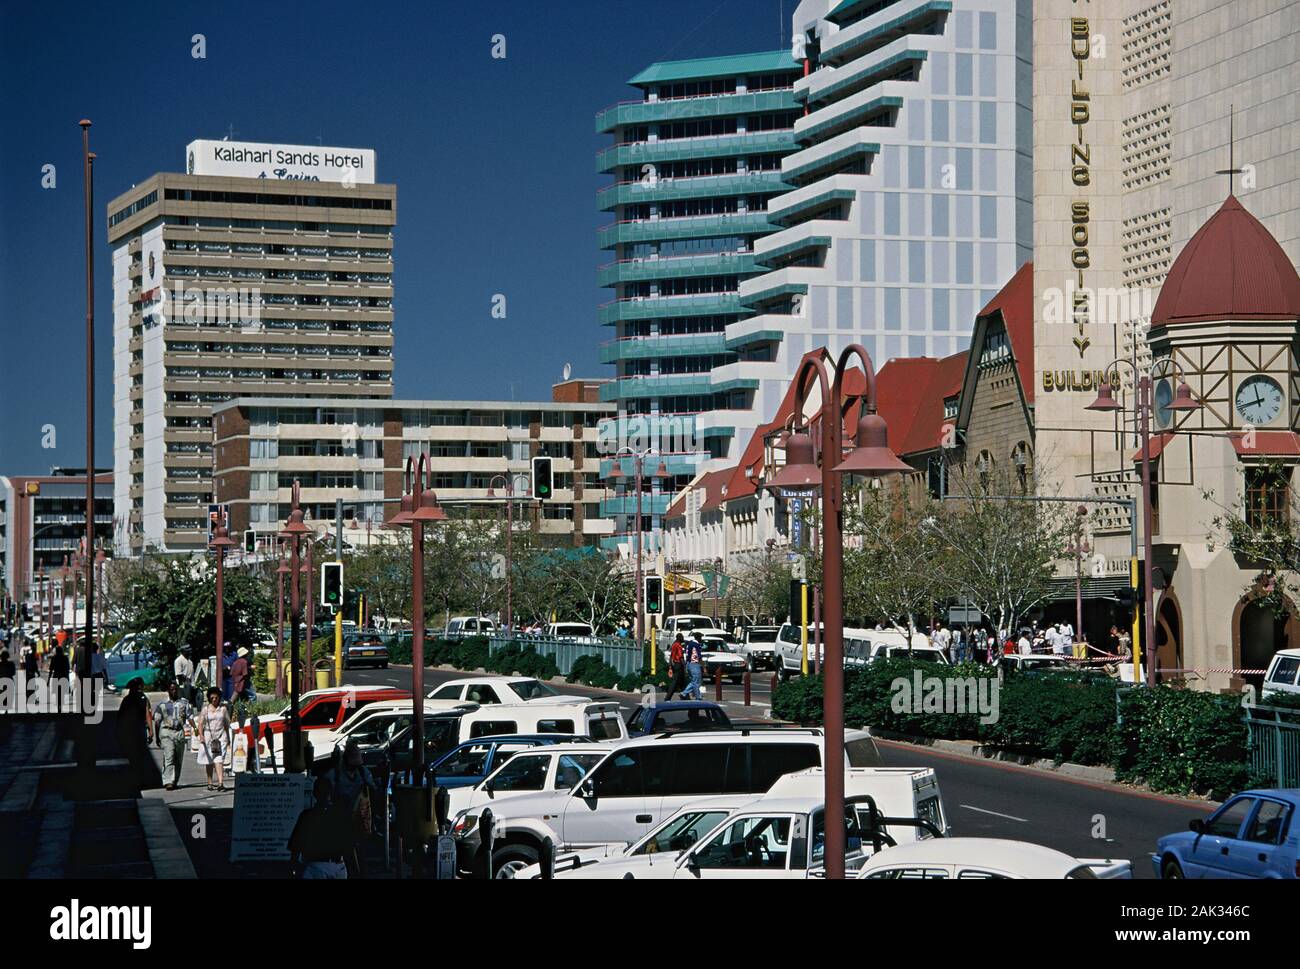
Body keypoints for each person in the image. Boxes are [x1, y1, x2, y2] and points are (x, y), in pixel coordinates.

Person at [288, 776, 352, 879]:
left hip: (315, 865)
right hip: (339, 865)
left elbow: (296, 845)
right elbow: (349, 844)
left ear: (314, 794)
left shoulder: (307, 816)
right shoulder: (341, 815)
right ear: (331, 793)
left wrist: (293, 868)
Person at [330, 740, 376, 877]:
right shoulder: (336, 774)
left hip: (360, 819)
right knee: (347, 853)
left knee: (360, 853)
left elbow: (373, 790)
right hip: (341, 820)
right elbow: (326, 790)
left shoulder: (363, 773)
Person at [154, 681, 193, 791]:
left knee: (178, 758)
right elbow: (157, 721)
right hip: (167, 732)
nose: (174, 691)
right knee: (169, 755)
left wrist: (195, 729)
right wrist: (157, 737)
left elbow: (189, 717)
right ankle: (168, 781)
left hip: (179, 732)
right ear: (168, 691)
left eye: (175, 689)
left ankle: (174, 780)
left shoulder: (184, 703)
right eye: (171, 689)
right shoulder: (162, 705)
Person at [117, 677, 154, 784]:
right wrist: (150, 731)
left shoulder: (127, 699)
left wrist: (118, 730)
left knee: (132, 753)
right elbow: (148, 715)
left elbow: (120, 717)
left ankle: (135, 774)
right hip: (139, 729)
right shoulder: (143, 698)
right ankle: (139, 775)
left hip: (130, 730)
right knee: (140, 753)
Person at [198, 687, 232, 792]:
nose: (214, 700)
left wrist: (228, 739)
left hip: (221, 736)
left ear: (219, 698)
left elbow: (227, 724)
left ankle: (220, 783)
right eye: (212, 698)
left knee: (219, 760)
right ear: (209, 698)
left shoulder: (223, 709)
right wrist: (201, 736)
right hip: (208, 736)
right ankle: (210, 782)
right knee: (209, 761)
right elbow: (200, 723)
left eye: (216, 697)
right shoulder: (205, 710)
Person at [47, 644, 71, 713]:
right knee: (62, 692)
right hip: (63, 676)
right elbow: (67, 669)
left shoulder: (54, 658)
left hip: (56, 676)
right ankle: (60, 705)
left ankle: (59, 706)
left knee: (57, 693)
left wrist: (48, 680)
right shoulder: (65, 658)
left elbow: (51, 670)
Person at [680, 633, 704, 700]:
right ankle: (697, 696)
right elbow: (698, 656)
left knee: (694, 681)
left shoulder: (689, 644)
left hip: (689, 664)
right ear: (698, 638)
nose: (701, 639)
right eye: (701, 638)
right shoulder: (696, 645)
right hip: (694, 664)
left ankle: (684, 693)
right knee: (696, 681)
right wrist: (703, 666)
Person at [664, 633, 686, 701]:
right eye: (682, 637)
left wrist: (670, 665)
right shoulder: (678, 645)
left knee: (681, 682)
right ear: (680, 638)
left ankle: (685, 696)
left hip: (674, 665)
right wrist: (685, 666)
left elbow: (671, 656)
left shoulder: (674, 644)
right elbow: (680, 657)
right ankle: (667, 698)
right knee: (675, 682)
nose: (683, 639)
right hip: (679, 664)